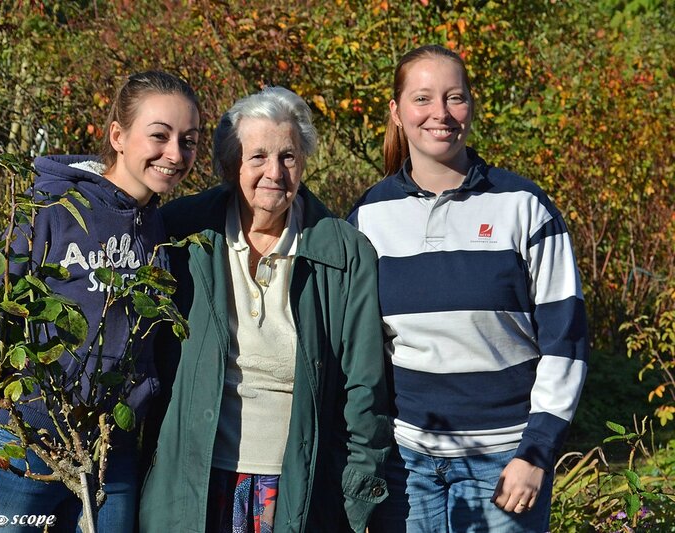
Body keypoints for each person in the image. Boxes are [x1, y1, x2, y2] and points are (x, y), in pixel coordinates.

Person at [0, 71, 201, 532]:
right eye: (159, 136)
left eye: (189, 140)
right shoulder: (50, 207)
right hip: (26, 446)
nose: (175, 154)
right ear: (118, 136)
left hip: (110, 455)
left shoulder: (162, 230)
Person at [348, 44, 589, 532]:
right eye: (422, 99)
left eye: (454, 97)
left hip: (503, 460)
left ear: (471, 106)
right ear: (396, 112)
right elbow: (358, 348)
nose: (440, 113)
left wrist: (536, 452)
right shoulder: (368, 217)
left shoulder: (523, 206)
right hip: (407, 462)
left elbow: (566, 339)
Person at [138, 86, 391, 532]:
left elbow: (364, 387)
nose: (275, 172)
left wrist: (357, 490)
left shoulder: (345, 252)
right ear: (230, 164)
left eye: (288, 157)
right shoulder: (182, 233)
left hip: (297, 484)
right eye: (258, 157)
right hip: (191, 477)